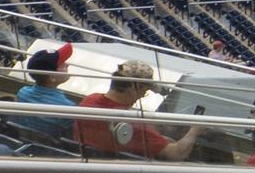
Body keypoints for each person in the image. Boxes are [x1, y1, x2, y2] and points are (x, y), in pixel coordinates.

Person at [76, 60, 205, 160]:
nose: (143, 95)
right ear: (136, 86)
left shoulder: (89, 100)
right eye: (145, 90)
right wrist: (194, 131)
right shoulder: (131, 124)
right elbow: (176, 154)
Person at [14, 44, 79, 137]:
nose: (67, 64)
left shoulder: (22, 93)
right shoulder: (68, 108)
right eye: (62, 64)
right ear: (52, 77)